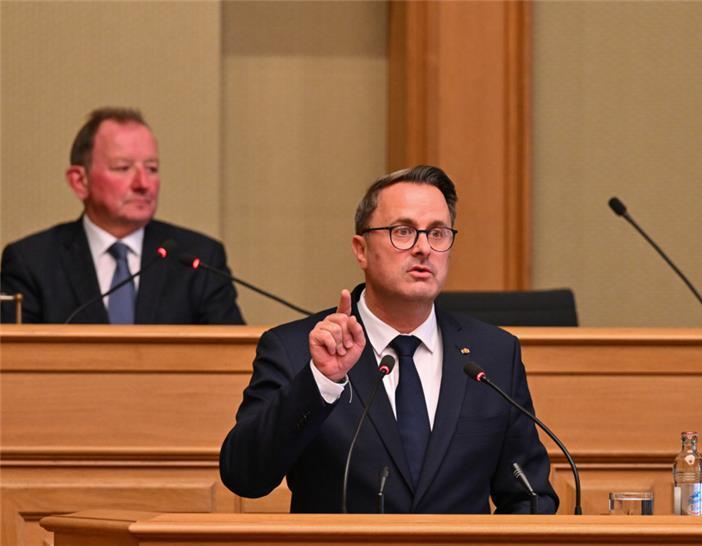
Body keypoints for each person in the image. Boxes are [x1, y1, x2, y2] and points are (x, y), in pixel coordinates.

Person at [219, 165, 558, 513]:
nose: (423, 248)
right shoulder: (293, 349)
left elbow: (530, 497)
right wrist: (321, 381)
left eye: (438, 233)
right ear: (361, 250)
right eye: (403, 231)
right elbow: (245, 476)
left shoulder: (494, 354)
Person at [0, 107, 244, 324]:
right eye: (123, 168)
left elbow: (232, 360)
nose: (143, 183)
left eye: (152, 169)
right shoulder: (32, 261)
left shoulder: (199, 258)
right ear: (79, 181)